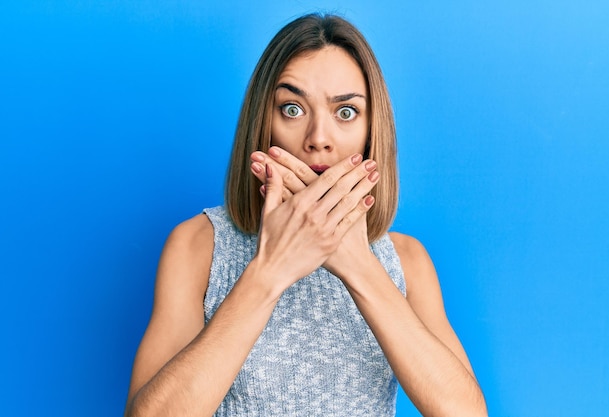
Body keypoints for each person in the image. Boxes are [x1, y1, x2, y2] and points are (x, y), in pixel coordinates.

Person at [124, 13, 487, 417]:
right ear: (263, 122)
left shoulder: (408, 262)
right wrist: (270, 270)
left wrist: (359, 266)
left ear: (371, 133)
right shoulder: (197, 246)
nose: (318, 140)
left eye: (346, 112)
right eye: (293, 109)